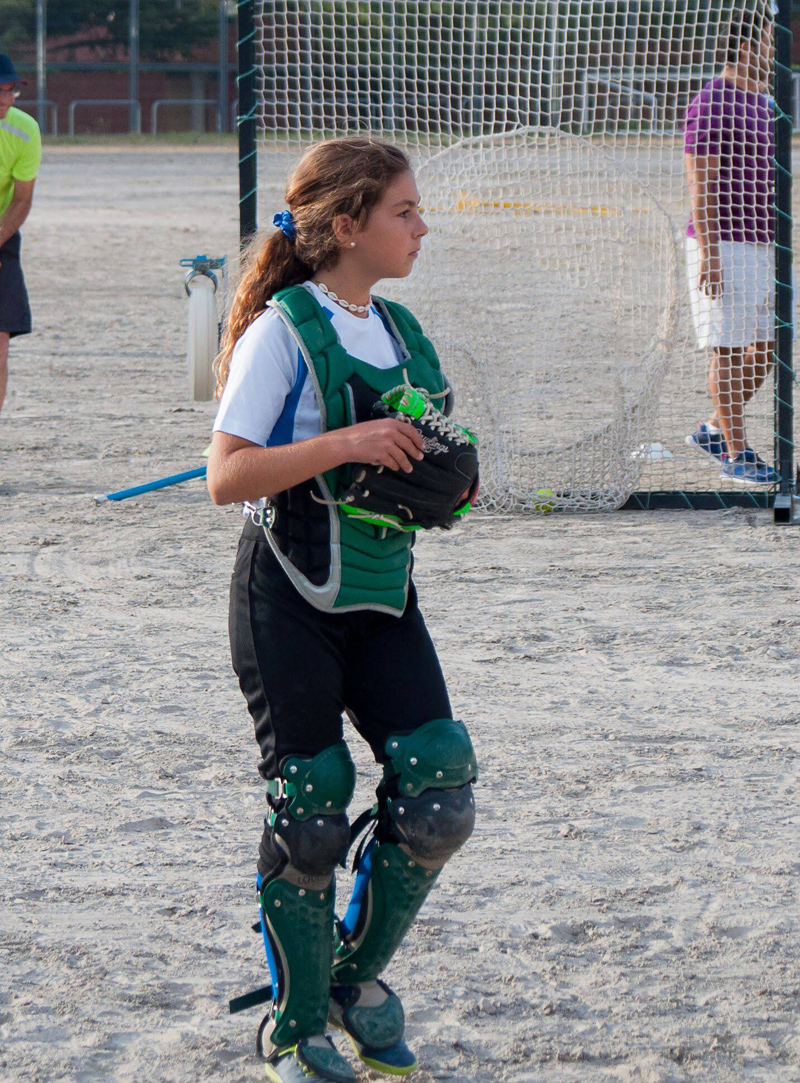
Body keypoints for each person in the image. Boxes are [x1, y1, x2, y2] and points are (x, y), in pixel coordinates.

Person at [207, 138, 479, 1083]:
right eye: (404, 211)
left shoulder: (402, 329)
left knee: (440, 791)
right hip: (287, 588)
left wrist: (447, 483)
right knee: (312, 808)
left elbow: (421, 462)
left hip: (381, 587)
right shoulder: (282, 329)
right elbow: (226, 474)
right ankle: (293, 1024)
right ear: (346, 224)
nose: (421, 226)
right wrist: (347, 439)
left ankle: (350, 984)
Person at [683, 8, 778, 486]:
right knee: (725, 346)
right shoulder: (712, 101)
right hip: (724, 243)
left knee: (769, 347)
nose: (775, 50)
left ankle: (717, 428)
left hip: (766, 245)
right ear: (745, 48)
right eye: (769, 41)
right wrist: (711, 253)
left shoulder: (765, 100)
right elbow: (700, 183)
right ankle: (736, 453)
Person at [0, 54, 41, 416]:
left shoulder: (24, 128)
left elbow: (22, 198)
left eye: (10, 89)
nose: (4, 98)